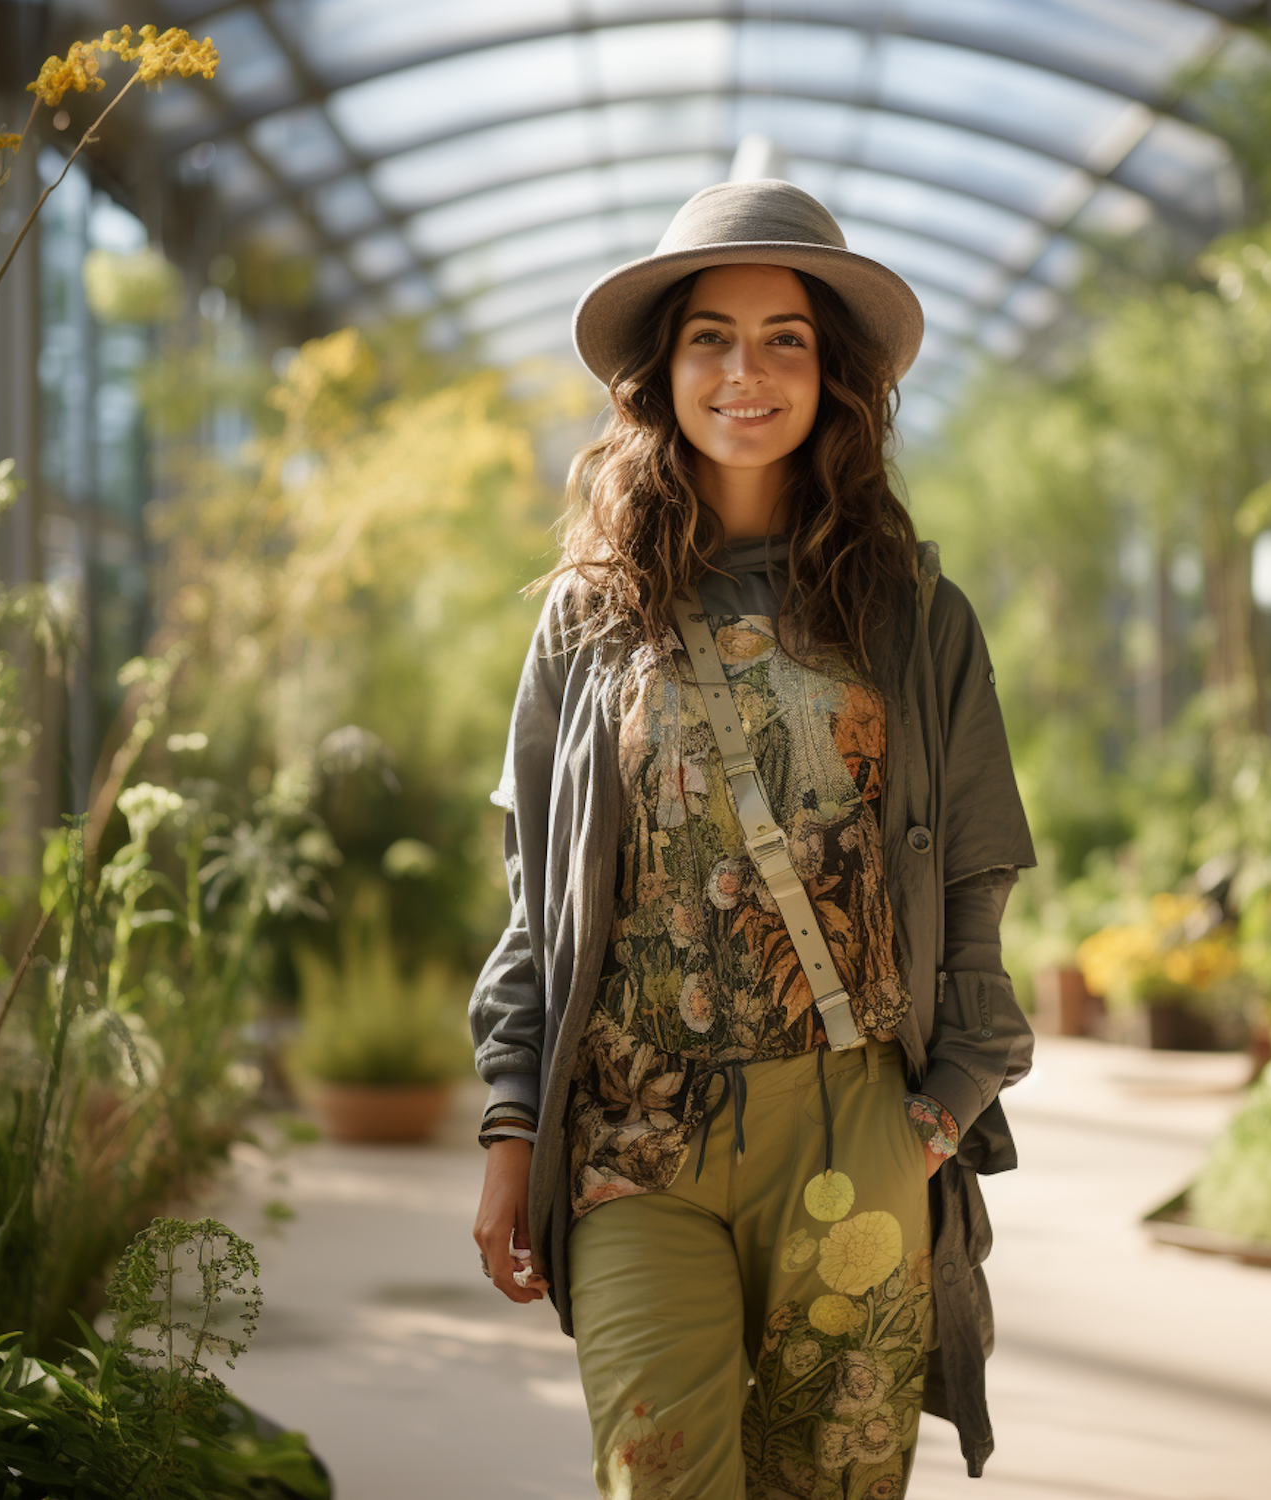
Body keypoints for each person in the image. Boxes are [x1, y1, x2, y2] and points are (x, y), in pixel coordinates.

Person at [469, 178, 1036, 1500]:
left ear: (834, 375)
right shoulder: (587, 620)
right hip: (631, 1133)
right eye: (710, 335)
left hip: (855, 1131)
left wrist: (943, 1113)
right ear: (661, 371)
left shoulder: (914, 615)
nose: (746, 369)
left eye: (786, 336)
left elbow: (973, 878)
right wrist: (510, 1127)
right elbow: (533, 899)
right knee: (656, 1475)